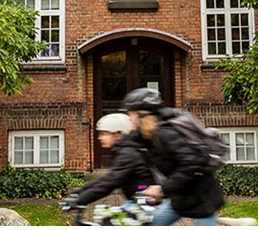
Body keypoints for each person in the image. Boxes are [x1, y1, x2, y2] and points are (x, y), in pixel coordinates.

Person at [120, 88, 225, 226]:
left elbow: (192, 165)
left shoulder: (165, 134)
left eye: (131, 114)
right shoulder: (145, 135)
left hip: (201, 198)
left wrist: (162, 188)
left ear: (142, 114)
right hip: (180, 198)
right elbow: (126, 146)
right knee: (152, 224)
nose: (129, 118)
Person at [61, 112, 154, 212]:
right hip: (137, 202)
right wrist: (79, 191)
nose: (99, 138)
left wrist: (80, 200)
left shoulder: (127, 154)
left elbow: (109, 183)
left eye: (104, 134)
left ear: (117, 134)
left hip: (147, 205)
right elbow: (106, 179)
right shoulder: (123, 150)